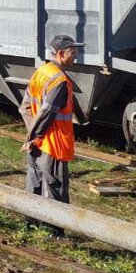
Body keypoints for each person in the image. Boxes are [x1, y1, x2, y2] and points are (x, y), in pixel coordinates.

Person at [19, 34, 82, 236]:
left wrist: (31, 136)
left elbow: (25, 107)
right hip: (53, 144)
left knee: (34, 182)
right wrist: (34, 137)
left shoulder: (41, 72)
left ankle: (31, 223)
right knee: (55, 188)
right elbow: (47, 112)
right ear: (61, 53)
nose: (76, 56)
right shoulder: (60, 81)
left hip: (37, 142)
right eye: (73, 52)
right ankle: (54, 232)